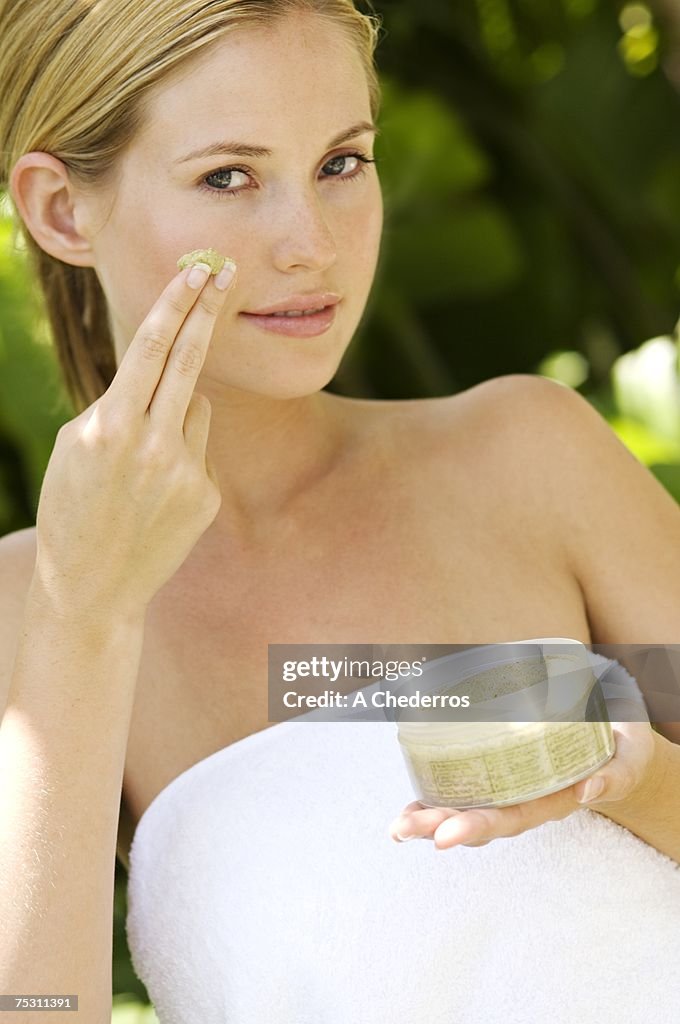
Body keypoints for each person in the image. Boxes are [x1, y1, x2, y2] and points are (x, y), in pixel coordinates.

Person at [1, 1, 679, 1022]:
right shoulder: (27, 612)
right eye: (227, 176)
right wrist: (85, 613)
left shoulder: (528, 457)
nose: (309, 243)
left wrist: (625, 781)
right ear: (61, 210)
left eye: (340, 162)